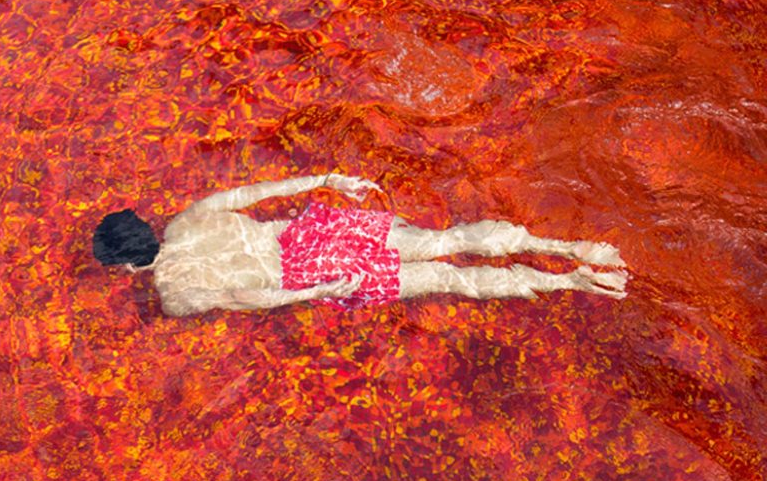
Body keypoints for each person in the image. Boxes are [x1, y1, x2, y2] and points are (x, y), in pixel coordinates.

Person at [92, 174, 627, 317]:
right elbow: (257, 192)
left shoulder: (176, 294)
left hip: (309, 273)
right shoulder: (187, 219)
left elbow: (249, 300)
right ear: (146, 226)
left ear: (124, 268)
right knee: (446, 242)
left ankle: (564, 282)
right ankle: (570, 247)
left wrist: (314, 292)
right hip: (314, 232)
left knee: (446, 280)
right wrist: (325, 180)